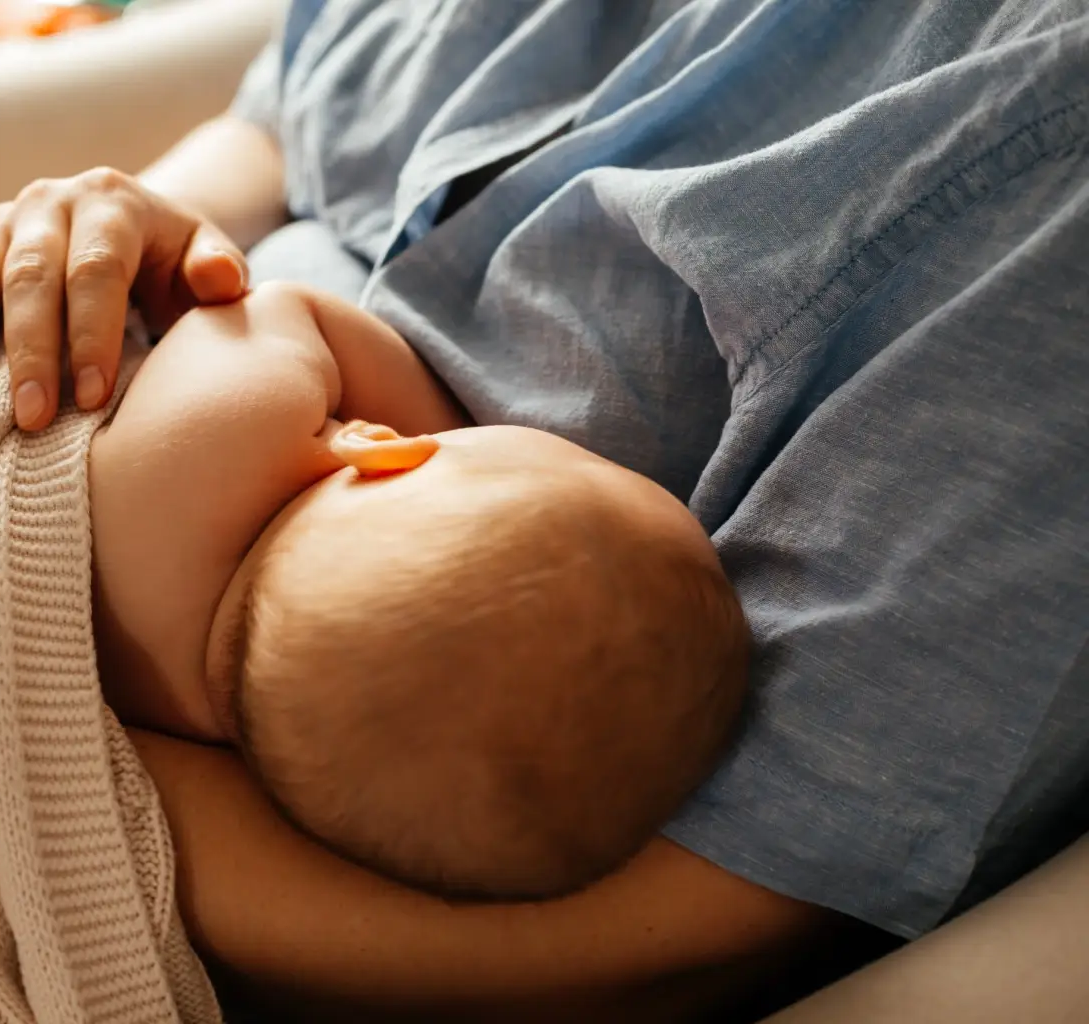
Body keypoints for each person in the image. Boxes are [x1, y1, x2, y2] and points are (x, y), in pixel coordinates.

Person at [0, 1, 1089, 1018]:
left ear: (389, 450)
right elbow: (280, 123)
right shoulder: (248, 641)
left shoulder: (1047, 170)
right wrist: (111, 223)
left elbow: (694, 913)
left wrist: (25, 775)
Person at [90, 280, 750, 901]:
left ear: (386, 452)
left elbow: (269, 311)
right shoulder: (203, 735)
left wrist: (429, 419)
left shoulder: (213, 452)